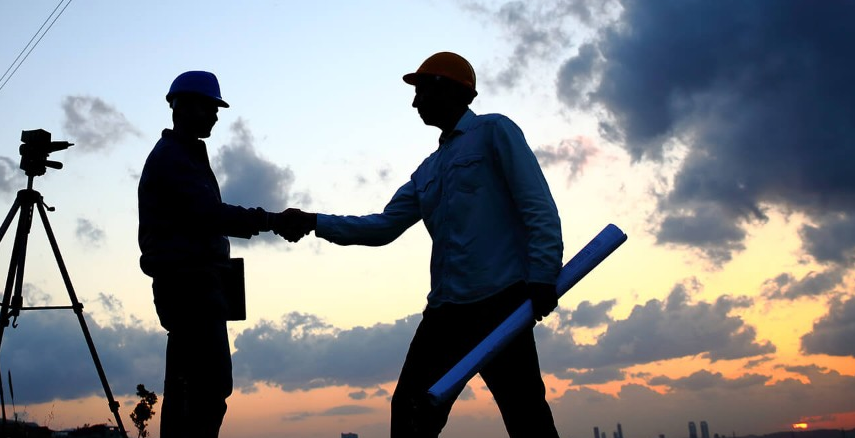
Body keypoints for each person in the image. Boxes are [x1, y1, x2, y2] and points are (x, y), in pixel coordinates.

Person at [282, 52, 564, 438]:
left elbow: (538, 207)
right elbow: (381, 227)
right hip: (446, 314)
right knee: (410, 410)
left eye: (421, 92)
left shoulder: (495, 132)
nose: (415, 103)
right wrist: (314, 222)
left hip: (500, 303)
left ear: (449, 90)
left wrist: (543, 276)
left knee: (525, 413)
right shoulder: (427, 171)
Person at [137, 70, 296, 438]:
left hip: (198, 285)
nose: (215, 116)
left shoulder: (184, 155)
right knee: (204, 389)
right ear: (182, 106)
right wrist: (272, 220)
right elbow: (211, 215)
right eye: (209, 107)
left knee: (195, 387)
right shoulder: (174, 158)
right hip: (189, 288)